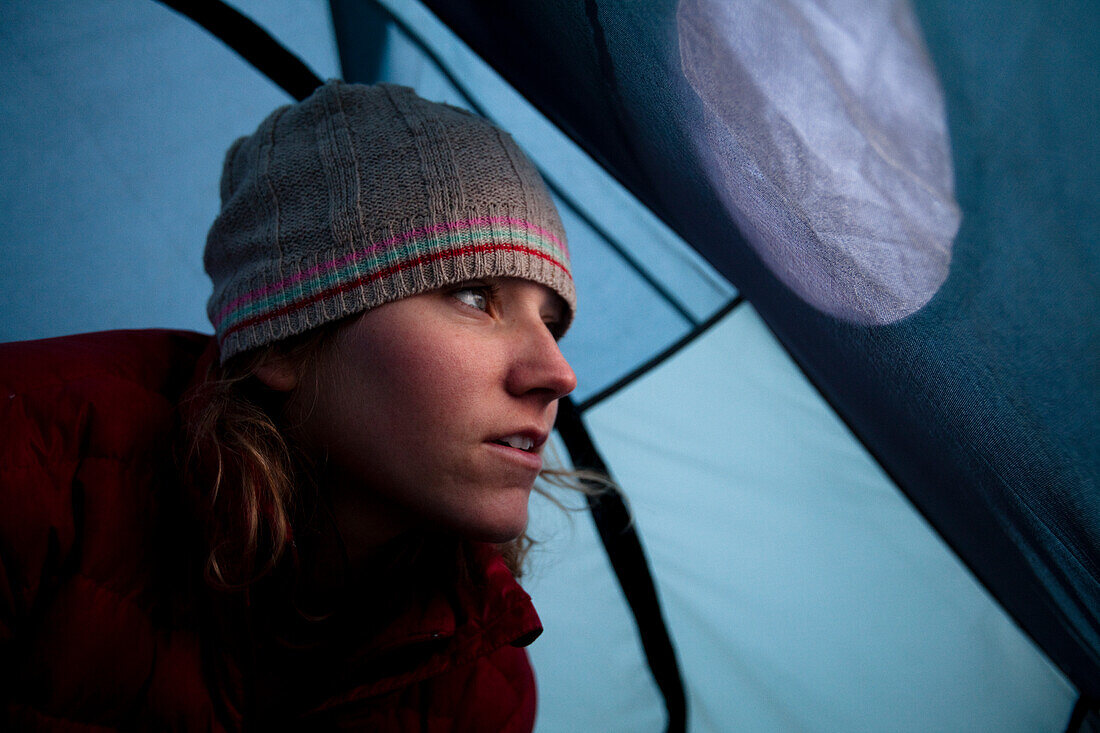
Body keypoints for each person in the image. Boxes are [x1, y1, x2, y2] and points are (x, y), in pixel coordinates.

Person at [0, 81, 577, 730]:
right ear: (284, 337)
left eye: (553, 323)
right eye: (475, 296)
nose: (558, 373)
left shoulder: (485, 685)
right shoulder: (26, 466)